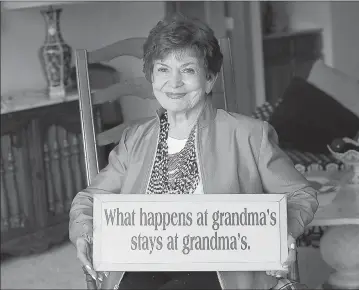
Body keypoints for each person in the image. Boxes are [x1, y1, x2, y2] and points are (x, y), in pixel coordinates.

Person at [69, 13, 318, 290]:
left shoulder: (250, 134)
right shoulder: (134, 139)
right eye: (163, 69)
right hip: (143, 259)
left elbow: (300, 194)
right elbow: (90, 200)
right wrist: (84, 232)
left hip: (222, 265)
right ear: (152, 77)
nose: (174, 83)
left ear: (209, 79)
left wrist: (285, 231)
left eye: (187, 70)